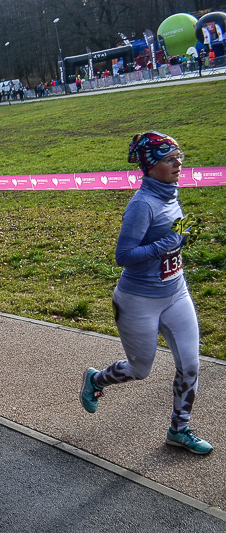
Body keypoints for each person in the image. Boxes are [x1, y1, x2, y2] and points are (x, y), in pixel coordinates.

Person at [80, 132, 212, 455]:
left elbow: (169, 239)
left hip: (175, 292)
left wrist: (179, 240)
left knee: (191, 364)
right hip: (138, 300)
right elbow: (123, 256)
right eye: (169, 159)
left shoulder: (169, 192)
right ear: (151, 167)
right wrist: (163, 246)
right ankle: (96, 380)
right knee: (141, 370)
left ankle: (179, 430)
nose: (178, 163)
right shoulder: (141, 205)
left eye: (179, 156)